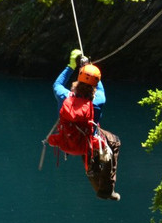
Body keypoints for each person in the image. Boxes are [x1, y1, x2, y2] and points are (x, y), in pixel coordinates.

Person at [48, 50, 121, 200]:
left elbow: (57, 84)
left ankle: (95, 176)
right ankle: (106, 189)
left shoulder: (64, 96)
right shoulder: (98, 100)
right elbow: (99, 88)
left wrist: (71, 65)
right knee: (114, 142)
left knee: (88, 152)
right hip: (88, 144)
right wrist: (89, 66)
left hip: (67, 142)